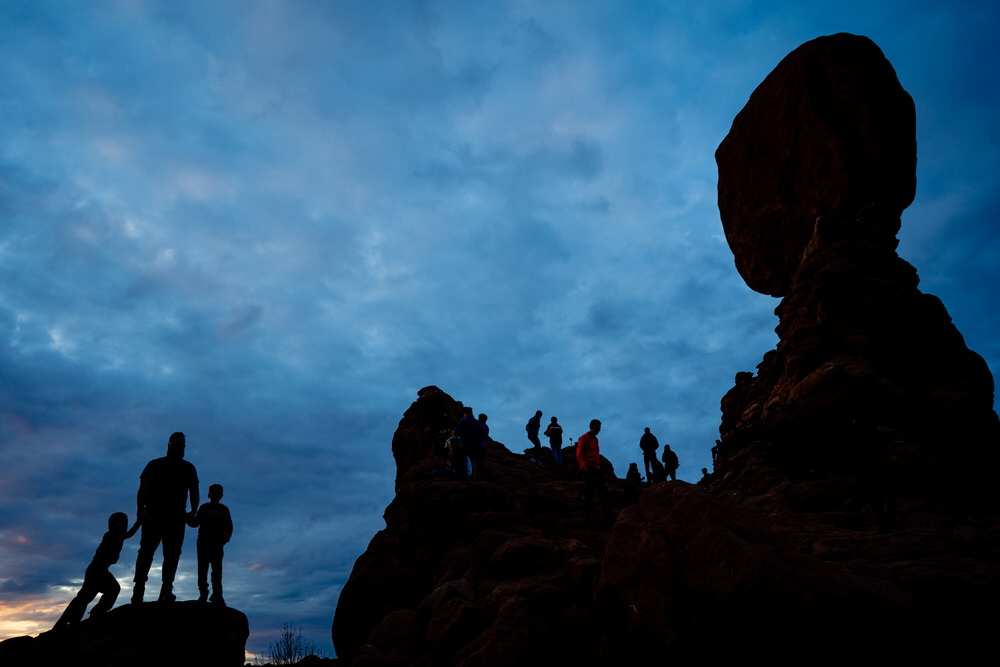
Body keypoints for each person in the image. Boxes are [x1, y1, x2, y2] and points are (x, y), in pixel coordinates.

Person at [132, 432, 199, 603]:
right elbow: (143, 488)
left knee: (172, 554)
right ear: (169, 445)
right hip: (154, 514)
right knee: (146, 552)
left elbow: (194, 491)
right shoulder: (154, 465)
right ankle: (138, 590)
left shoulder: (189, 468)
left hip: (176, 517)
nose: (180, 447)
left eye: (182, 445)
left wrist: (193, 511)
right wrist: (140, 510)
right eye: (176, 444)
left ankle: (166, 590)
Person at [53, 512, 140, 628]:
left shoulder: (119, 536)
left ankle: (88, 616)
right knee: (89, 596)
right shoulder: (110, 536)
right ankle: (69, 622)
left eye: (124, 522)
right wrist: (102, 570)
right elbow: (103, 554)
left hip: (100, 570)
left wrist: (139, 522)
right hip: (97, 570)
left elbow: (130, 533)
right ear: (113, 524)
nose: (122, 525)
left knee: (90, 596)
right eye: (119, 522)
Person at [190, 483, 233, 605]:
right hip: (203, 544)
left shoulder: (224, 510)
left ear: (221, 496)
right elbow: (195, 523)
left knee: (217, 570)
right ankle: (204, 593)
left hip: (217, 544)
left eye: (217, 493)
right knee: (202, 569)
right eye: (213, 493)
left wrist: (225, 538)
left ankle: (217, 593)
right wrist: (188, 518)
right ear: (209, 494)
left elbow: (229, 526)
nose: (215, 496)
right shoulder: (203, 508)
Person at [577, 419, 613, 523]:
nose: (599, 430)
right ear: (592, 426)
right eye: (597, 428)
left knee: (603, 492)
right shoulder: (584, 438)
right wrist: (583, 467)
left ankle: (609, 515)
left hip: (596, 469)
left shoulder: (596, 440)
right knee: (590, 492)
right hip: (588, 468)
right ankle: (586, 515)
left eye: (599, 429)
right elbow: (579, 453)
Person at [454, 407, 482, 479]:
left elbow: (457, 432)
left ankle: (464, 474)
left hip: (464, 441)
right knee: (473, 460)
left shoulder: (463, 420)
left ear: (465, 413)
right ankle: (474, 476)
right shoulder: (477, 422)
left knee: (463, 458)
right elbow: (480, 433)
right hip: (475, 443)